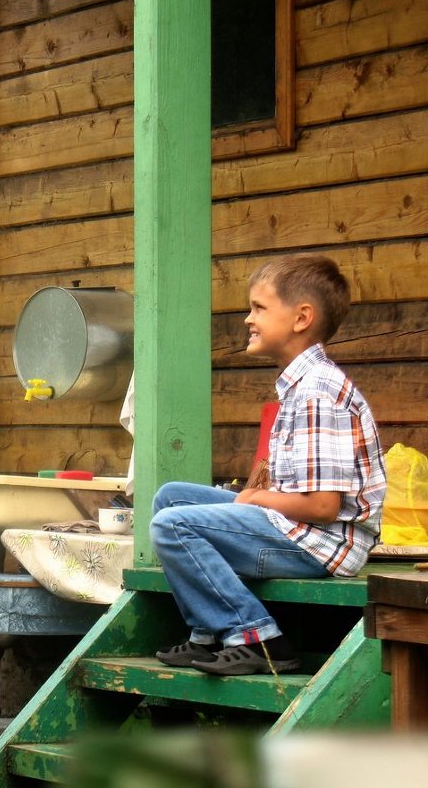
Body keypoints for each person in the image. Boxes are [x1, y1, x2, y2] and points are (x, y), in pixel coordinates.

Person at [150, 254, 386, 676]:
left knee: (172, 525)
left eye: (259, 308)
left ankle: (257, 637)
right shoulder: (300, 386)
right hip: (296, 530)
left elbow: (322, 508)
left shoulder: (317, 392)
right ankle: (208, 632)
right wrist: (255, 499)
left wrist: (256, 497)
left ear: (301, 318)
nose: (247, 319)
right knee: (170, 498)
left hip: (321, 545)